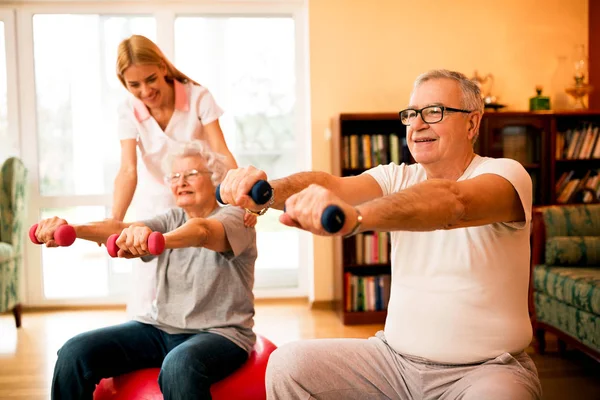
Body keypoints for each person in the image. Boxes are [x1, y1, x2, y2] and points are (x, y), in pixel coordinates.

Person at [218, 70, 542, 399]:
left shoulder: (506, 174)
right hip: (392, 364)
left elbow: (453, 203)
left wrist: (356, 217)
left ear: (472, 123)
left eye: (434, 112)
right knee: (288, 366)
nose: (417, 125)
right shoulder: (395, 176)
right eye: (411, 115)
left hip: (485, 371)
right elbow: (331, 184)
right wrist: (264, 192)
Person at [34, 141, 258, 400]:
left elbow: (203, 232)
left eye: (191, 174)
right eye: (175, 176)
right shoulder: (172, 218)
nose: (181, 181)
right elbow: (118, 228)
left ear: (216, 179)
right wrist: (71, 229)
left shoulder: (236, 218)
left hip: (221, 333)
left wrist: (158, 240)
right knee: (74, 352)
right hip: (160, 327)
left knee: (179, 365)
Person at [113, 34, 256, 317]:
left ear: (163, 68)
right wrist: (114, 223)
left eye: (151, 79)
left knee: (203, 271)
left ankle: (205, 332)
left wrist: (241, 203)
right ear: (124, 84)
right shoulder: (127, 110)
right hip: (157, 199)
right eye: (134, 85)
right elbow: (128, 170)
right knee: (149, 283)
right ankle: (151, 337)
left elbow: (221, 151)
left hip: (201, 199)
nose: (145, 91)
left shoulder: (198, 97)